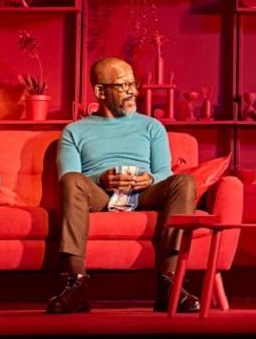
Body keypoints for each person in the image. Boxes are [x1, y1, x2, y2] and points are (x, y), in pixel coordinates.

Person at [45, 57, 200, 314]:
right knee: (71, 181)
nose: (133, 92)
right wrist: (100, 179)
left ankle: (170, 283)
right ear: (100, 91)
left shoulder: (152, 126)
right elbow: (69, 177)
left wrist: (151, 179)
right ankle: (76, 284)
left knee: (184, 181)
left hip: (145, 193)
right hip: (100, 195)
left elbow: (164, 172)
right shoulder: (74, 131)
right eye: (123, 85)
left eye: (133, 84)